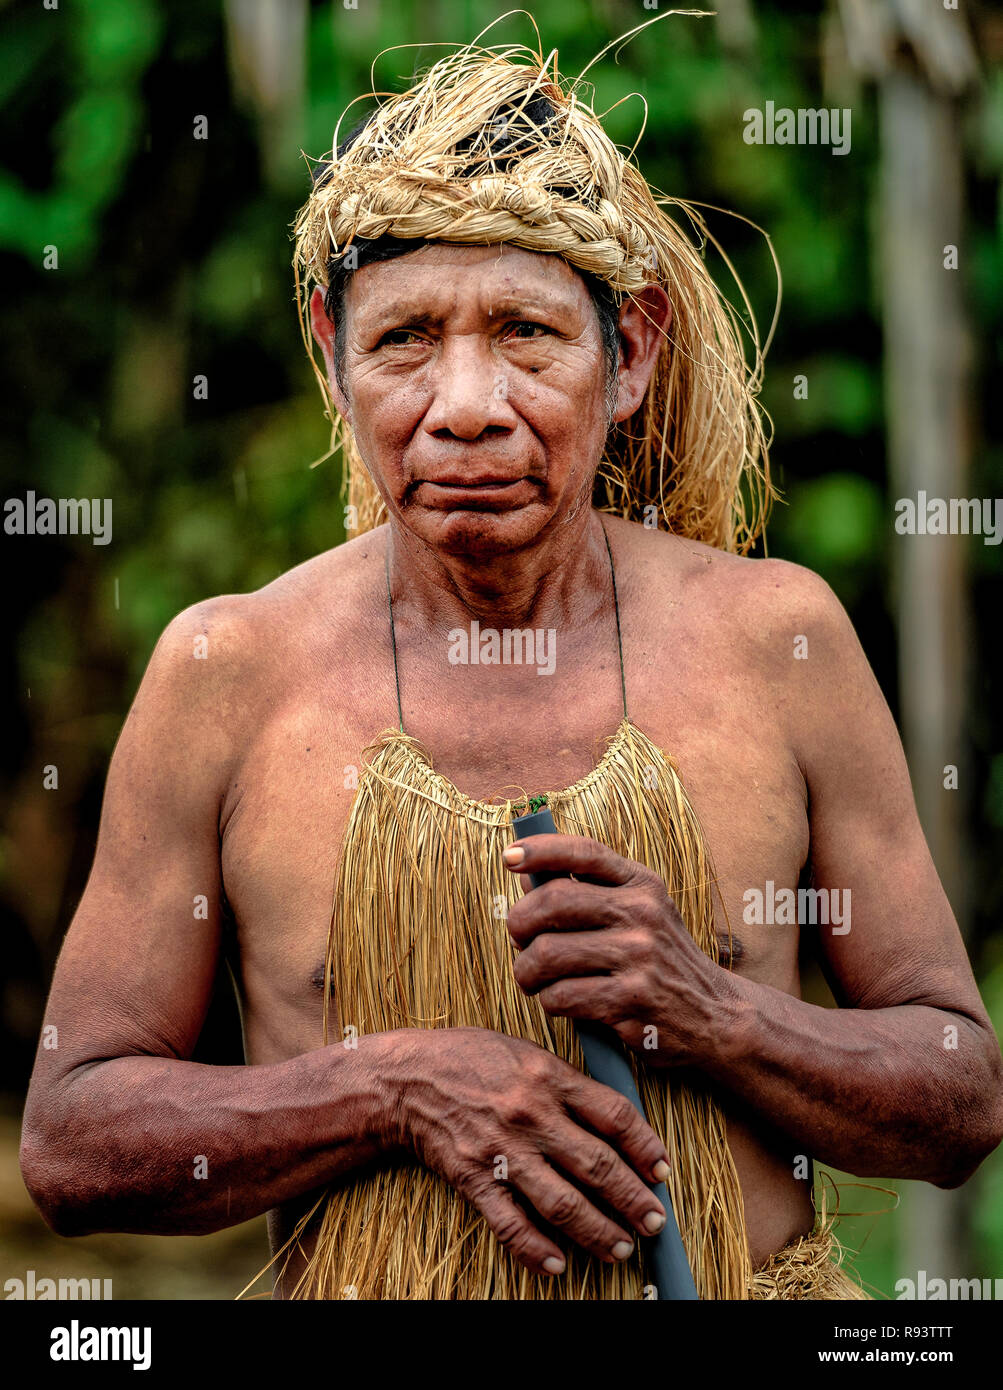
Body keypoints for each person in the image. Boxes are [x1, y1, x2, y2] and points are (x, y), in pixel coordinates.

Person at [20, 26, 1003, 1300]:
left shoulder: (778, 642)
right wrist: (391, 1087)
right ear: (330, 350)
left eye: (527, 331)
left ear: (631, 349)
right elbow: (71, 1139)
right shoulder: (229, 671)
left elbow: (959, 1093)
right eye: (404, 340)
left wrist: (710, 1010)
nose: (467, 401)